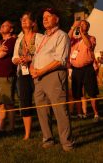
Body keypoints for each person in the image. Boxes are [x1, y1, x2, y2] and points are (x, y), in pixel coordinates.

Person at [30, 8, 73, 151]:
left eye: (48, 16)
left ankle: (66, 143)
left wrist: (41, 70)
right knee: (42, 110)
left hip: (54, 75)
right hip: (39, 78)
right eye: (43, 17)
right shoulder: (43, 37)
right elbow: (36, 56)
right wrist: (32, 67)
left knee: (59, 109)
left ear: (57, 19)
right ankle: (48, 139)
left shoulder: (62, 35)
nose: (45, 19)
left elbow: (60, 60)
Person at [12, 12, 42, 140]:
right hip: (23, 74)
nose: (23, 21)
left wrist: (30, 58)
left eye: (26, 19)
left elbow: (43, 55)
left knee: (41, 101)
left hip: (37, 72)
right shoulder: (19, 39)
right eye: (22, 19)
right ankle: (27, 133)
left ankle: (46, 129)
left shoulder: (40, 37)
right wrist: (18, 60)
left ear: (33, 23)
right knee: (25, 102)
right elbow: (13, 57)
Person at [68, 20, 99, 121]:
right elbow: (65, 40)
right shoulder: (74, 39)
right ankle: (79, 113)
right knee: (77, 93)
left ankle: (96, 114)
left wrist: (81, 32)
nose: (81, 25)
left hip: (87, 68)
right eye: (80, 24)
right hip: (76, 69)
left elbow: (89, 45)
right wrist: (73, 27)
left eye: (84, 24)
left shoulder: (91, 38)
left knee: (92, 92)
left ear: (88, 27)